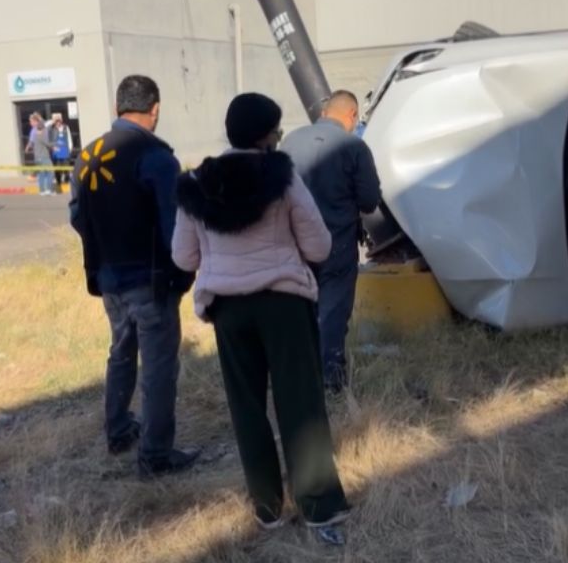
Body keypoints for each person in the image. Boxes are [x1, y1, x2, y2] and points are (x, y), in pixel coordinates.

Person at [172, 92, 350, 545]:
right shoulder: (283, 179)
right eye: (275, 129)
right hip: (284, 304)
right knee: (301, 404)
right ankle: (319, 508)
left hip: (229, 311)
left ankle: (268, 509)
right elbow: (319, 247)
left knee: (246, 408)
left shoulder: (196, 184)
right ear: (266, 134)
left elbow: (182, 256)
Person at [70, 74, 200, 479]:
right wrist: (183, 273)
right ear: (155, 109)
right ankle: (156, 454)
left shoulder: (88, 154)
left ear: (117, 107)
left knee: (120, 353)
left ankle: (119, 430)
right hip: (151, 278)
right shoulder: (157, 158)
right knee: (160, 365)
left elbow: (77, 216)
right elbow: (172, 223)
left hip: (107, 276)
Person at [280, 90, 381, 392]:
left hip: (294, 246)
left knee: (298, 312)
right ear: (352, 116)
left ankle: (295, 377)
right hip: (336, 244)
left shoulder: (291, 141)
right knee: (333, 313)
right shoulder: (354, 146)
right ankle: (330, 380)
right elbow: (369, 201)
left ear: (325, 112)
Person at [26, 114, 56, 195]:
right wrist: (55, 146)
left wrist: (28, 147)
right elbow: (47, 143)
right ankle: (49, 190)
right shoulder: (41, 135)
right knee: (50, 172)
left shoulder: (35, 134)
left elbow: (31, 143)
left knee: (41, 174)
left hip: (37, 157)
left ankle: (42, 191)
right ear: (42, 128)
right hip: (44, 157)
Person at [50, 113, 74, 190]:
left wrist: (70, 148)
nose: (58, 123)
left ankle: (66, 180)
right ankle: (58, 181)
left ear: (61, 122)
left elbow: (69, 138)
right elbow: (50, 140)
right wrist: (52, 148)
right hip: (56, 152)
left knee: (66, 167)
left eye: (59, 121)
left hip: (65, 151)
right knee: (57, 168)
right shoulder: (51, 129)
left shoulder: (66, 128)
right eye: (56, 122)